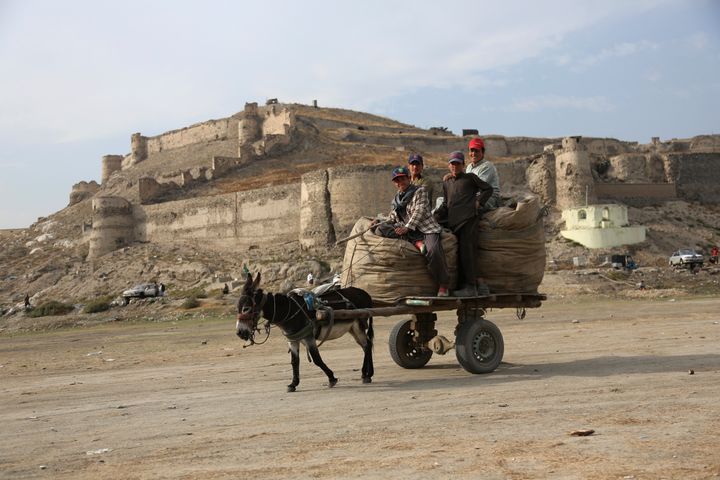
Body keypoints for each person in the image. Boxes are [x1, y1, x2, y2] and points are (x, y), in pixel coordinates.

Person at [373, 166, 450, 296]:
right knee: (381, 230)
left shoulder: (420, 191)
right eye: (397, 180)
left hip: (425, 229)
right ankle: (416, 243)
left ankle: (443, 285)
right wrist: (378, 221)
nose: (400, 182)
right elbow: (392, 217)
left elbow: (419, 211)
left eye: (403, 179)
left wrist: (407, 228)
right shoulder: (397, 199)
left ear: (409, 178)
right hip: (409, 232)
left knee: (433, 251)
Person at [434, 151, 493, 297]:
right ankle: (472, 285)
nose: (455, 166)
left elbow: (488, 189)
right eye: (452, 164)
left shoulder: (470, 178)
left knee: (468, 252)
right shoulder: (447, 183)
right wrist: (434, 215)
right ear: (449, 165)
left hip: (469, 220)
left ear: (463, 165)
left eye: (458, 164)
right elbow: (446, 205)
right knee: (460, 254)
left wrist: (479, 201)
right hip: (455, 223)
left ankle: (472, 287)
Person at [466, 137, 500, 211]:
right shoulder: (469, 167)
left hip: (489, 198)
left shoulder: (487, 166)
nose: (473, 153)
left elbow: (479, 187)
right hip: (475, 196)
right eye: (472, 150)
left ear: (483, 152)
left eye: (477, 151)